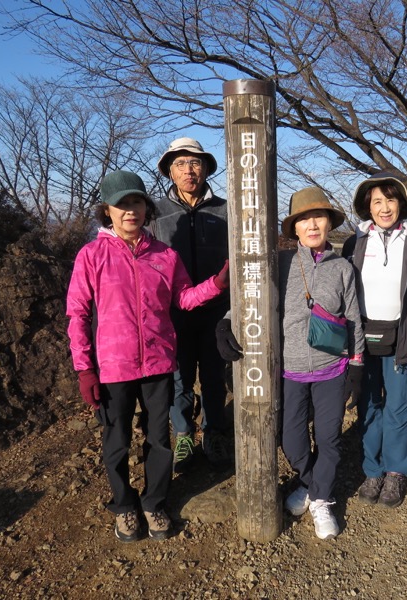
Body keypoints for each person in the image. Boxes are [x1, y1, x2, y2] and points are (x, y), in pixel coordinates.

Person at [66, 170, 229, 542]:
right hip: (112, 367)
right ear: (107, 211)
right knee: (116, 441)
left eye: (136, 202)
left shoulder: (165, 256)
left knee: (159, 439)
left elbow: (184, 299)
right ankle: (124, 506)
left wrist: (218, 284)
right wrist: (84, 370)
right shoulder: (91, 255)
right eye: (121, 204)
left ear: (146, 207)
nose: (130, 211)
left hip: (158, 364)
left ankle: (155, 502)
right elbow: (78, 314)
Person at [217, 187, 364, 539]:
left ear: (329, 223)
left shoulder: (343, 268)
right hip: (289, 370)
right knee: (291, 440)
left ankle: (321, 499)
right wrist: (226, 321)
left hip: (332, 368)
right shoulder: (280, 263)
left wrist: (357, 365)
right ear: (294, 228)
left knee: (328, 439)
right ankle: (313, 485)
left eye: (319, 217)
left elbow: (354, 317)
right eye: (304, 219)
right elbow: (251, 298)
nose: (312, 224)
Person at [341, 173, 407, 509]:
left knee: (399, 407)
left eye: (390, 200)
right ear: (368, 206)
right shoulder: (355, 242)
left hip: (402, 338)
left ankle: (395, 473)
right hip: (363, 338)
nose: (384, 207)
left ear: (401, 204)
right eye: (377, 201)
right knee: (368, 405)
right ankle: (372, 470)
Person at [153, 137, 231, 470]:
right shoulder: (156, 213)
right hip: (173, 313)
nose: (189, 170)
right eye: (181, 163)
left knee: (214, 376)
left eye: (195, 163)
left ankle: (213, 433)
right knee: (180, 377)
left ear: (206, 169)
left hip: (217, 310)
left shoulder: (226, 209)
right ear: (170, 171)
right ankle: (184, 434)